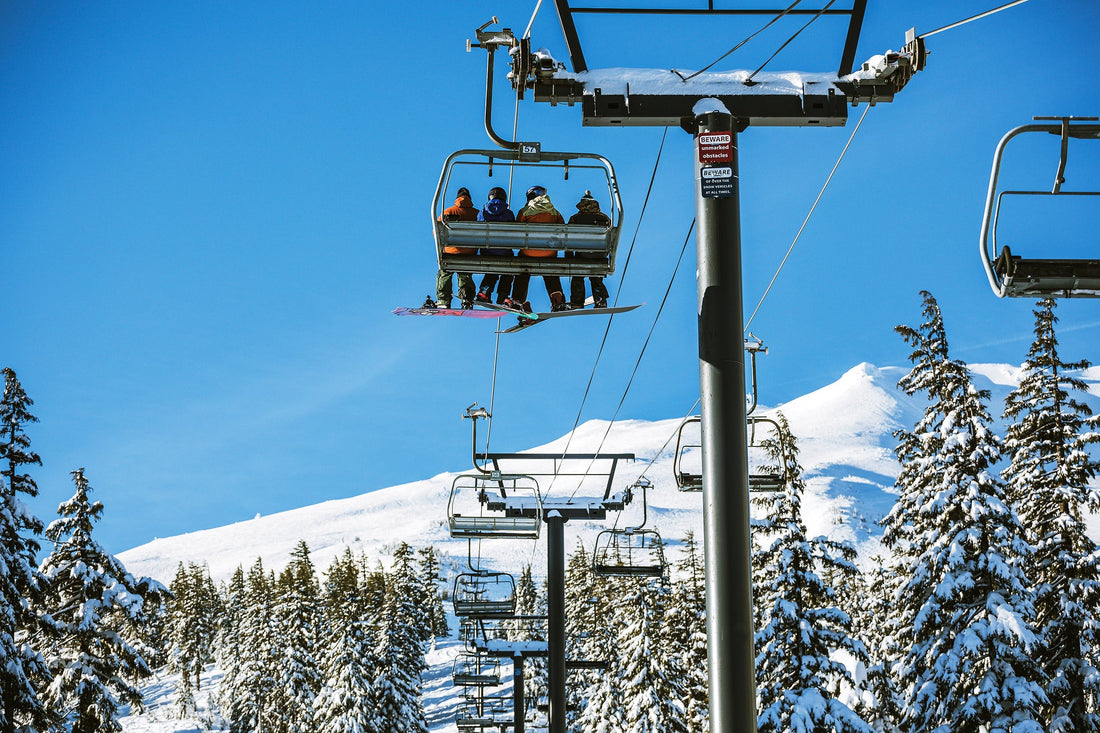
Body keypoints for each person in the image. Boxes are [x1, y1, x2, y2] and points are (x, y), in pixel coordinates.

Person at [504, 185, 567, 312]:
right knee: (550, 270)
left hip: (529, 252)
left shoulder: (525, 211)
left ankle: (517, 299)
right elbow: (563, 231)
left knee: (522, 270)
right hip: (549, 253)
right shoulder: (554, 211)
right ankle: (557, 300)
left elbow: (517, 232)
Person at [567, 190, 612, 309]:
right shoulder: (604, 218)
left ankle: (576, 302)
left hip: (581, 255)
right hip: (599, 255)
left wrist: (569, 257)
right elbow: (611, 238)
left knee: (577, 276)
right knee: (596, 277)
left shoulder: (575, 218)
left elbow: (568, 238)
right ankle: (600, 300)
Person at [436, 187, 478, 309]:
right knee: (465, 274)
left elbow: (437, 232)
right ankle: (467, 297)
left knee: (444, 272)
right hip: (469, 253)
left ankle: (443, 299)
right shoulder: (477, 213)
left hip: (451, 252)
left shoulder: (448, 212)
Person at [474, 187, 515, 305]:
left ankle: (484, 291)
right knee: (508, 270)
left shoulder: (482, 212)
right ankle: (503, 295)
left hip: (487, 251)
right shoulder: (508, 213)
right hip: (504, 252)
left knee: (492, 270)